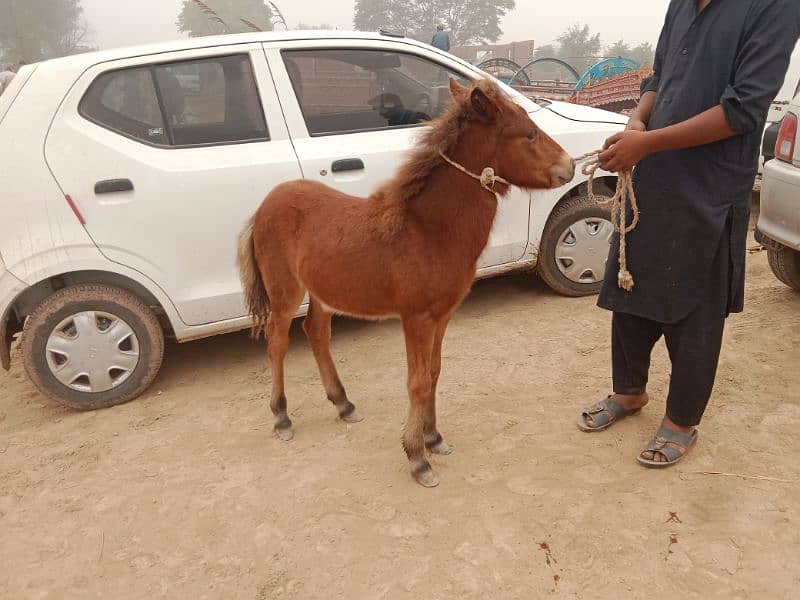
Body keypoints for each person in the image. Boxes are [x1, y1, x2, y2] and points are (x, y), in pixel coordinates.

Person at [577, 0, 800, 467]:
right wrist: (637, 122)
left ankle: (681, 421)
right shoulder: (681, 4)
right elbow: (657, 77)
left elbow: (743, 108)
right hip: (652, 176)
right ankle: (630, 392)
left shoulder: (775, 6)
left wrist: (649, 141)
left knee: (693, 308)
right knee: (629, 291)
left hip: (709, 187)